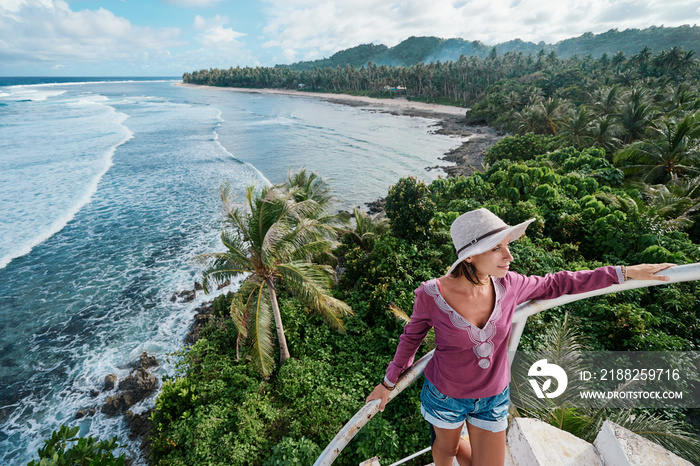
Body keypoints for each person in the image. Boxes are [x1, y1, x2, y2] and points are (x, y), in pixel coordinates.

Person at [365, 208, 675, 466]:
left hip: (493, 397)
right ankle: (450, 443)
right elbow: (411, 339)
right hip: (445, 395)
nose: (509, 255)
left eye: (507, 244)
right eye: (497, 247)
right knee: (445, 452)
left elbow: (562, 282)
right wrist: (388, 384)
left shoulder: (511, 285)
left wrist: (625, 272)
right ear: (470, 257)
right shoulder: (432, 294)